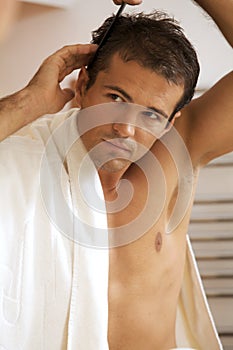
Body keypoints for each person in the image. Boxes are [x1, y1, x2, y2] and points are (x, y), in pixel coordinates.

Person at [0, 1, 232, 350]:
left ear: (170, 122)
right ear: (81, 87)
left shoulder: (176, 156)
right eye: (116, 98)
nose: (125, 127)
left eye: (151, 115)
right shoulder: (20, 151)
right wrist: (29, 101)